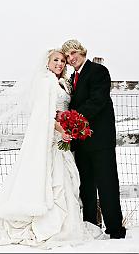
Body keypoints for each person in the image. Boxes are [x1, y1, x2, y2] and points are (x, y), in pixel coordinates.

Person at [0, 49, 102, 250]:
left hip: (61, 138)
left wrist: (69, 126)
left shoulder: (62, 83)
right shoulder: (45, 81)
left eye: (63, 60)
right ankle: (48, 223)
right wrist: (61, 129)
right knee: (54, 179)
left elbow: (63, 110)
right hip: (52, 136)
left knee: (65, 180)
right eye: (55, 60)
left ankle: (67, 223)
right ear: (47, 62)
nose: (59, 63)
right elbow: (45, 115)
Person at [60, 39, 126, 239]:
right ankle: (90, 227)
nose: (71, 58)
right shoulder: (73, 78)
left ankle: (115, 230)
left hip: (100, 140)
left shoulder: (98, 71)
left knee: (107, 184)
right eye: (68, 56)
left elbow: (98, 101)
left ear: (81, 51)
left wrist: (72, 118)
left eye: (73, 53)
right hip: (81, 143)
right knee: (86, 186)